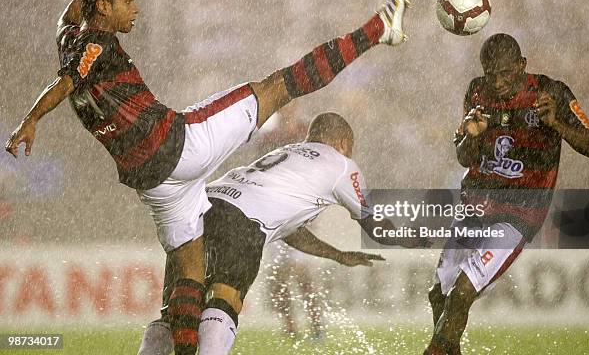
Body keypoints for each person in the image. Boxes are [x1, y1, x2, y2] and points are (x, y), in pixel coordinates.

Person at [5, 0, 413, 354]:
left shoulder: (71, 39)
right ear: (103, 8)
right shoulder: (96, 45)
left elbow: (65, 22)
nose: (136, 8)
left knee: (189, 277)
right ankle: (379, 29)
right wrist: (32, 119)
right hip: (181, 145)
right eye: (127, 0)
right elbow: (67, 80)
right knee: (278, 87)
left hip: (153, 183)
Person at [137, 112, 426, 355]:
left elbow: (290, 230)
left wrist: (336, 255)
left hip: (201, 205)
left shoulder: (286, 153)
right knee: (225, 300)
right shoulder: (341, 164)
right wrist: (418, 238)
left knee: (176, 309)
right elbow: (375, 225)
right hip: (242, 221)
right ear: (341, 142)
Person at [423, 33, 589, 355]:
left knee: (461, 293)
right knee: (439, 294)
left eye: (506, 73)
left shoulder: (552, 92)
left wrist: (557, 123)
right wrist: (472, 137)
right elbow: (465, 158)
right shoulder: (477, 91)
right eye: (492, 74)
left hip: (519, 213)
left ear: (522, 65)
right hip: (475, 204)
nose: (499, 82)